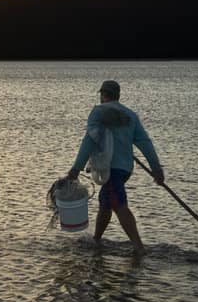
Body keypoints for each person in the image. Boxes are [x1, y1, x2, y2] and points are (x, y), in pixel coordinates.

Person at [65, 79, 164, 250]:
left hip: (110, 169)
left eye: (101, 95)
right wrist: (156, 168)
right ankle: (97, 240)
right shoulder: (131, 115)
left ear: (103, 95)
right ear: (118, 95)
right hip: (125, 169)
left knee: (119, 204)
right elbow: (144, 142)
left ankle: (139, 247)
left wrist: (76, 168)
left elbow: (89, 140)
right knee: (106, 202)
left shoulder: (98, 112)